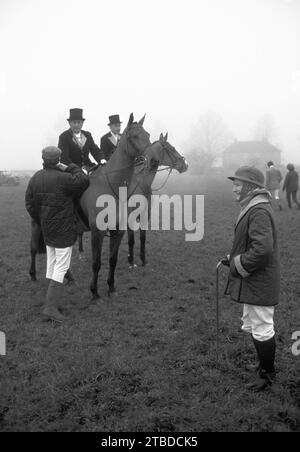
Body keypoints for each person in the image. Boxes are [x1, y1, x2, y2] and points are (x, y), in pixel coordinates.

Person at [222, 166, 280, 392]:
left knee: (263, 326)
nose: (234, 189)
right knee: (256, 324)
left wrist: (238, 264)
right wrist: (232, 257)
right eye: (234, 185)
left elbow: (262, 250)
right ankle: (261, 364)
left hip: (260, 280)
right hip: (255, 278)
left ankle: (267, 374)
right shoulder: (254, 206)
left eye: (238, 185)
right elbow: (252, 245)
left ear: (251, 186)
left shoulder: (258, 211)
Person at [25, 146, 89, 322]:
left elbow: (29, 203)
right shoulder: (65, 178)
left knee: (52, 264)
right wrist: (70, 167)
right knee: (60, 267)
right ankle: (50, 308)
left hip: (47, 229)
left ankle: (52, 301)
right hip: (63, 230)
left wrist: (40, 219)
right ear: (58, 160)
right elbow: (84, 180)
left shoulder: (35, 178)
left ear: (43, 159)